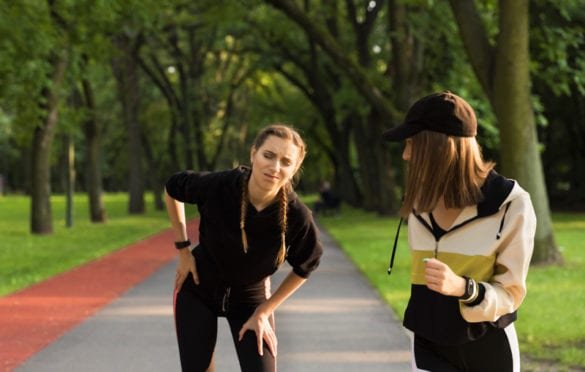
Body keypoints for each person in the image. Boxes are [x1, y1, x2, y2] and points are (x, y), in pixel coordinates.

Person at [382, 91, 536, 372]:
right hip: (428, 344)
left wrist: (462, 288)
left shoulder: (511, 205)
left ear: (440, 148)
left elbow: (511, 293)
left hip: (488, 347)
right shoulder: (418, 203)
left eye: (411, 144)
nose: (405, 156)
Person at [164, 124, 323, 372]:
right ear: (253, 154)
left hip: (251, 300)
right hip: (198, 288)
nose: (275, 167)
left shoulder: (296, 215)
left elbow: (307, 264)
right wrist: (183, 250)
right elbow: (172, 188)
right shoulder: (220, 186)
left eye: (285, 162)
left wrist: (265, 310)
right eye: (268, 155)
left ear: (294, 169)